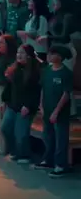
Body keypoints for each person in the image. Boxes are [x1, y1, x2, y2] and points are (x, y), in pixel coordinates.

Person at [36, 45, 74, 177]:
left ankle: (61, 165)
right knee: (48, 136)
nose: (49, 56)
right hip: (46, 109)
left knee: (60, 138)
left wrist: (56, 111)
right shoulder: (47, 70)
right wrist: (41, 105)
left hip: (60, 112)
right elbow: (42, 88)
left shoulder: (66, 73)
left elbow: (66, 94)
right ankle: (48, 160)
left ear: (60, 56)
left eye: (52, 54)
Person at [1, 44, 42, 165]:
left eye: (22, 53)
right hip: (12, 104)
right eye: (18, 52)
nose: (19, 55)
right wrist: (5, 101)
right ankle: (14, 151)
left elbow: (36, 92)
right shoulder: (14, 69)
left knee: (21, 134)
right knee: (5, 128)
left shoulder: (34, 71)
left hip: (26, 107)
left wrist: (28, 106)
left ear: (29, 56)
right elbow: (9, 87)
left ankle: (24, 155)